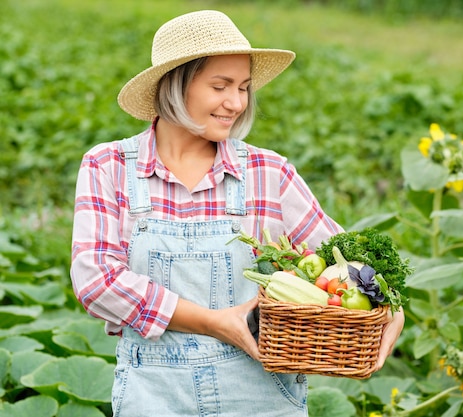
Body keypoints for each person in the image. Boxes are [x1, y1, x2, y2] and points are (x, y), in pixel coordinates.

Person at [70, 10, 404, 417]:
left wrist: (389, 302)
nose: (236, 102)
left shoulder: (268, 173)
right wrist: (215, 322)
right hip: (154, 397)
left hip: (262, 395)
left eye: (244, 87)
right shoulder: (109, 166)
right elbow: (95, 281)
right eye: (220, 85)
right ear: (176, 85)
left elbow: (343, 261)